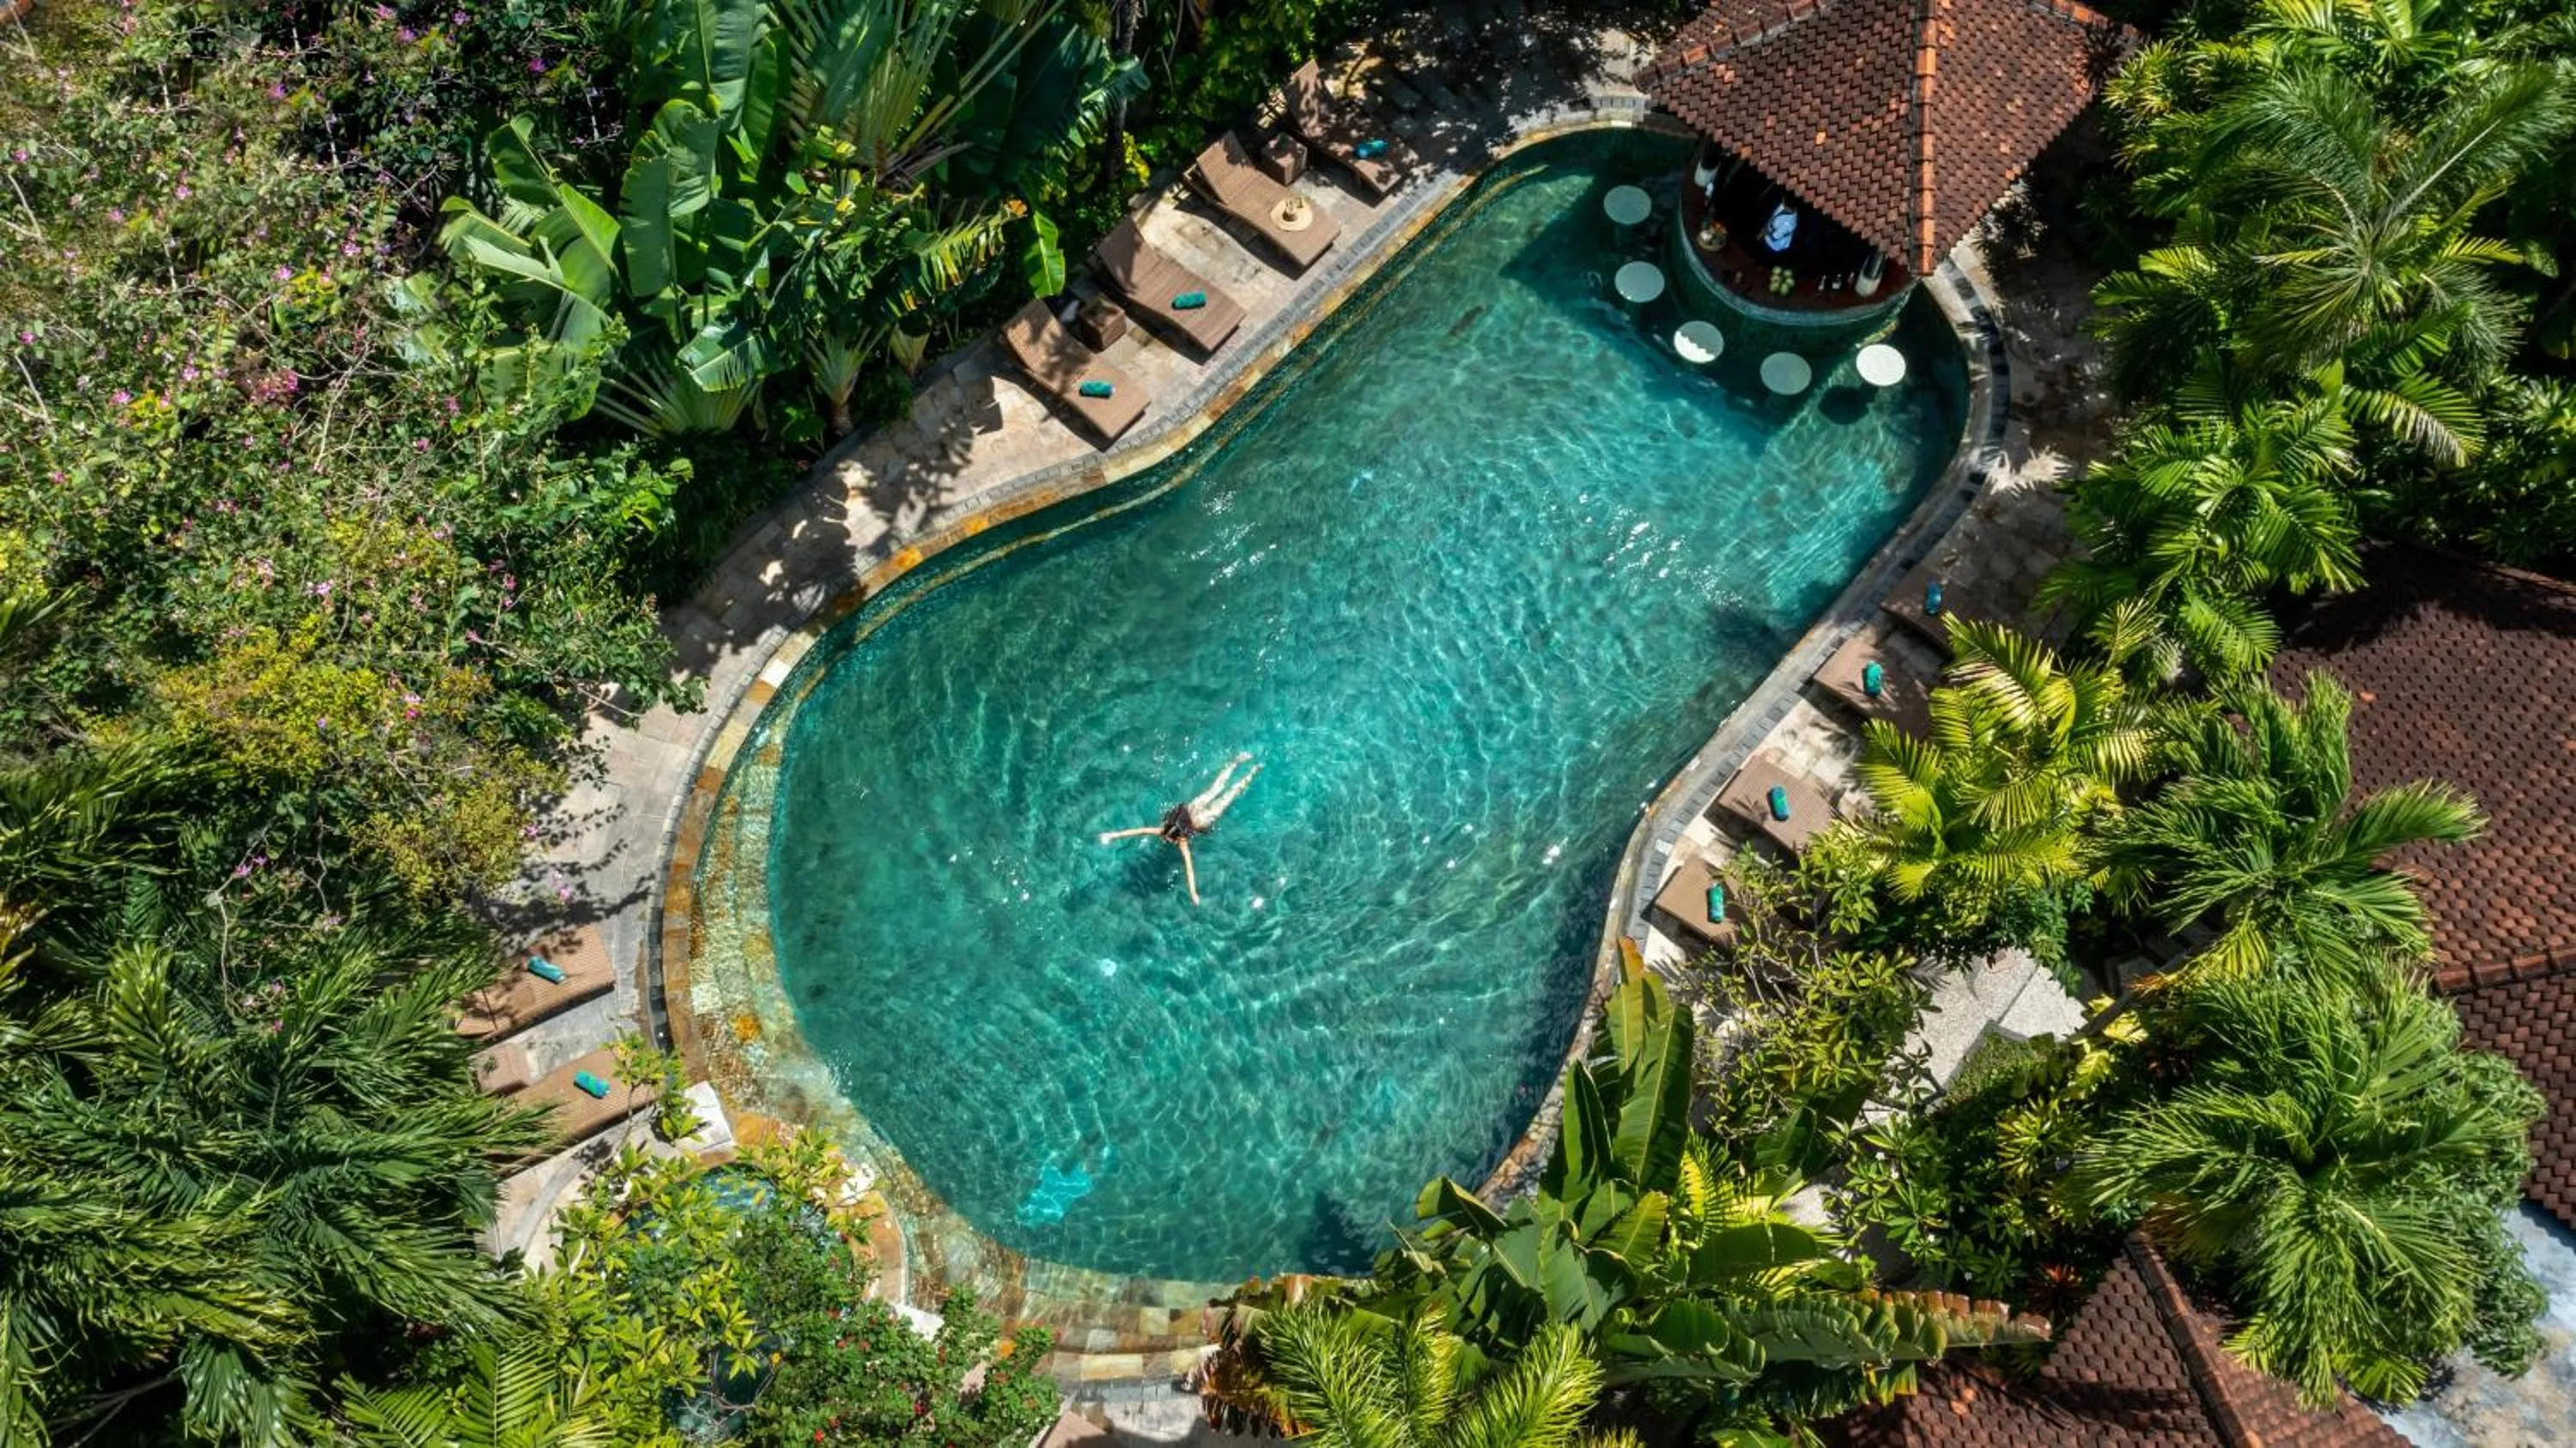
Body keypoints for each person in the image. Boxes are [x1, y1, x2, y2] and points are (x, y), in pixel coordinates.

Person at [1098, 753, 1261, 905]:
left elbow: (1189, 868)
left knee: (1229, 796)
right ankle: (1235, 762)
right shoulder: (1162, 831)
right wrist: (1114, 835)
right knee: (1215, 789)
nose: (1165, 840)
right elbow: (1138, 831)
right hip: (1192, 808)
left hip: (1203, 819)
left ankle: (1253, 771)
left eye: (1167, 839)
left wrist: (1193, 893)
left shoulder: (1181, 842)